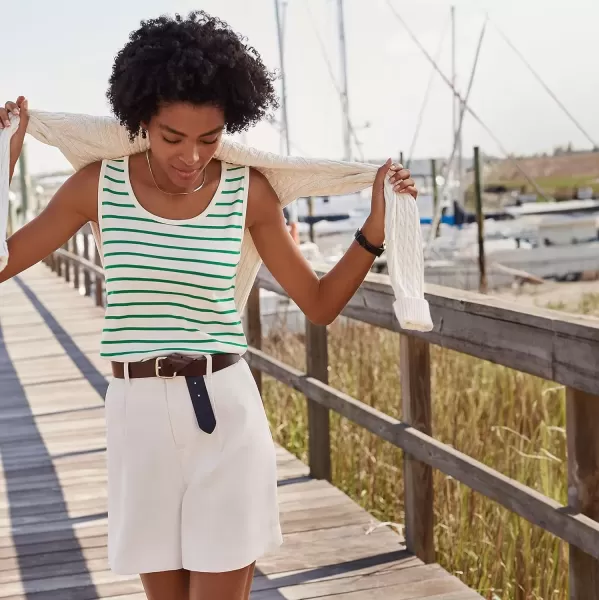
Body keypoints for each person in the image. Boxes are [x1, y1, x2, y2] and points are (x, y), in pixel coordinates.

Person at [0, 11, 417, 600]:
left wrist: (372, 231)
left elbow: (319, 304)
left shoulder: (250, 193)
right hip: (136, 418)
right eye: (173, 137)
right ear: (141, 119)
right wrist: (4, 160)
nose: (191, 155)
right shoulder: (98, 185)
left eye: (209, 138)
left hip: (225, 413)